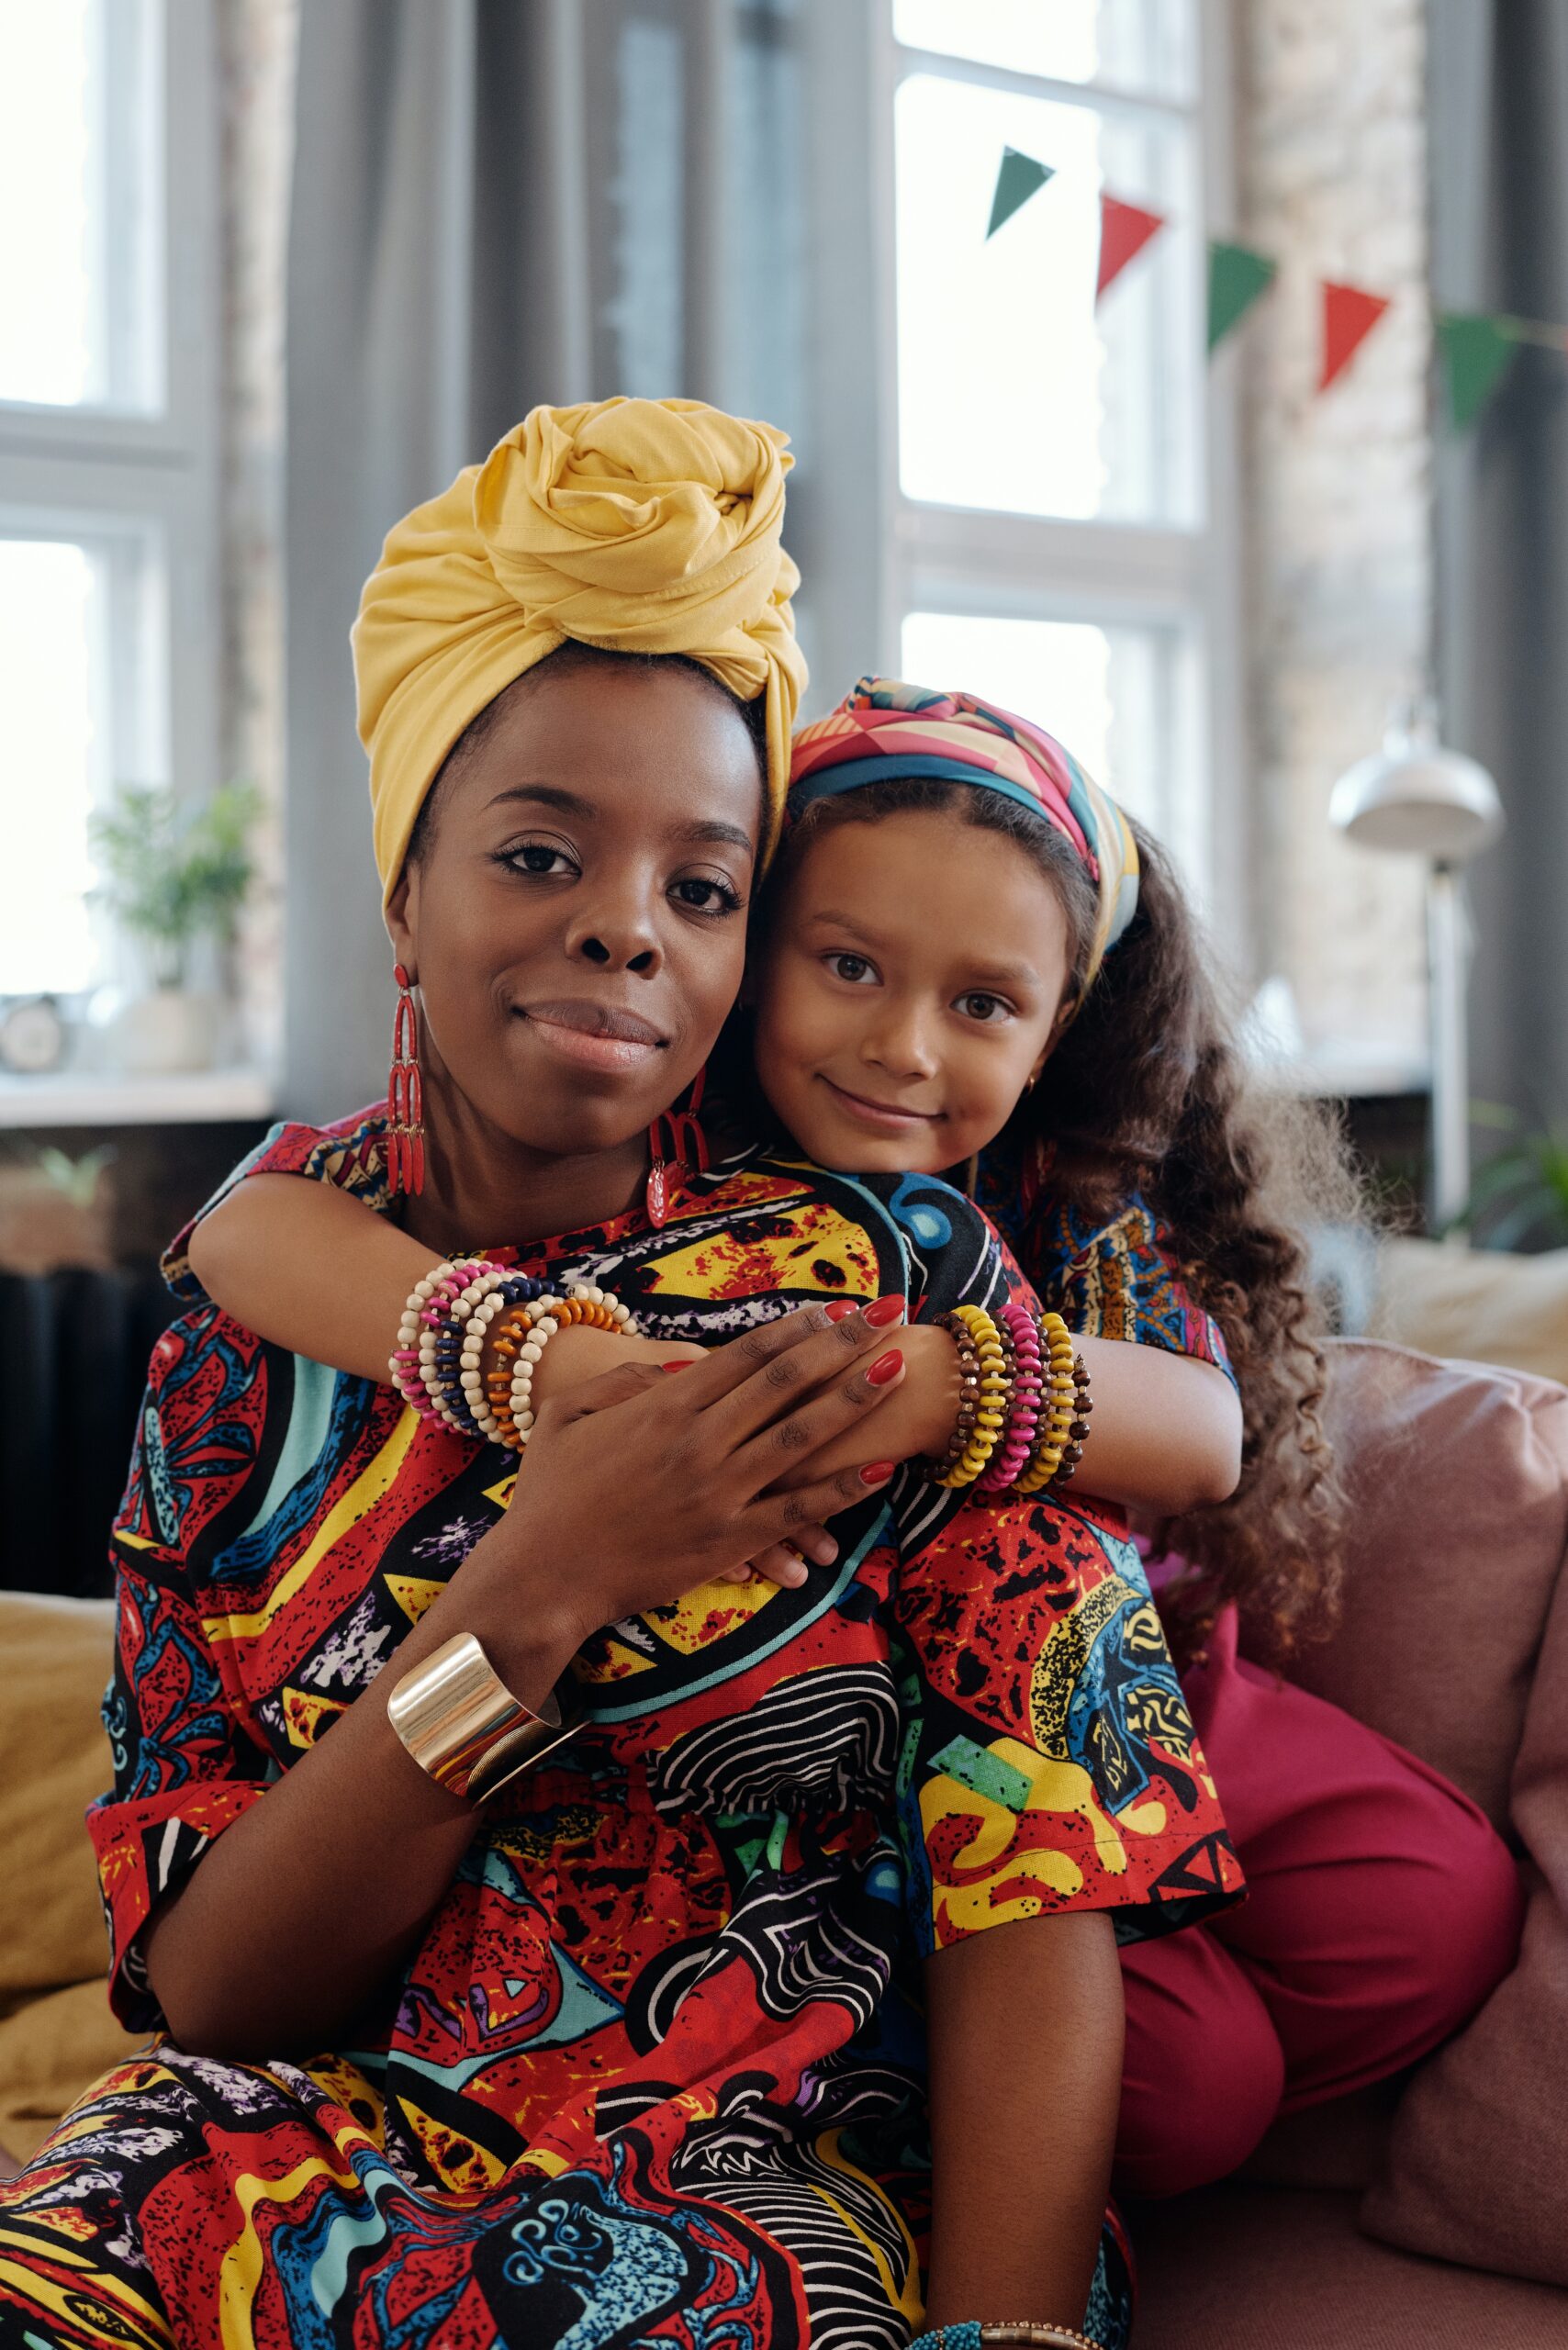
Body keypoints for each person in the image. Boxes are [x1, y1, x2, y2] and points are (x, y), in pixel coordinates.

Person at [0, 403, 1239, 2350]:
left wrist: (1013, 2334)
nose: (620, 921)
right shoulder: (241, 1361)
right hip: (349, 2144)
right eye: (536, 849)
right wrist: (538, 1584)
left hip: (778, 2204)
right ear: (405, 890)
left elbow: (1037, 1830)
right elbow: (217, 1991)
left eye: (703, 882)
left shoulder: (868, 1285)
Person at [190, 676, 1525, 2207]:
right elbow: (249, 1230)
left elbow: (1208, 1433)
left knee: (1436, 1904)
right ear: (753, 960)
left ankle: (1122, 1968)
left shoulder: (1061, 1193)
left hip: (1132, 1681)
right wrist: (539, 1357)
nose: (902, 1048)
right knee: (1192, 2086)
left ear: (1056, 1029)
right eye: (846, 966)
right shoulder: (664, 1151)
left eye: (981, 1005)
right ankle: (983, 2038)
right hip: (847, 1780)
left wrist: (945, 1384)